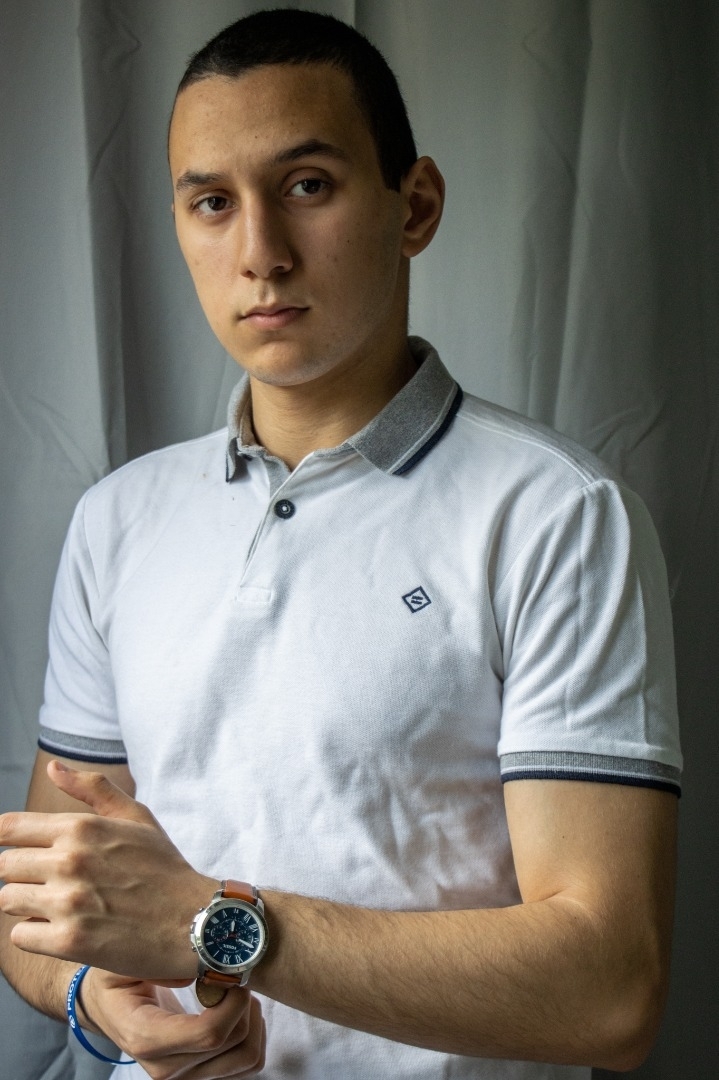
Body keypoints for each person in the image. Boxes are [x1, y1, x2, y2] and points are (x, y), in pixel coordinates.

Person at [0, 9, 682, 1079]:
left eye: (307, 185)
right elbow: (39, 903)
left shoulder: (556, 514)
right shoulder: (118, 518)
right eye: (213, 203)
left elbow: (609, 988)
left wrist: (212, 924)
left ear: (414, 206)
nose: (259, 255)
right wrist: (99, 1003)